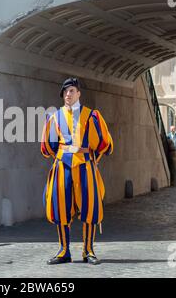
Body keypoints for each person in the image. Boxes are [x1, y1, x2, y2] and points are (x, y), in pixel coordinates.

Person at [40, 77, 113, 265]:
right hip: (62, 166)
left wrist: (90, 158)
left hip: (85, 165)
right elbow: (48, 146)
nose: (68, 95)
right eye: (65, 92)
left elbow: (104, 142)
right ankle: (64, 250)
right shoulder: (54, 117)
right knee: (61, 208)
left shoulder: (91, 116)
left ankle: (88, 250)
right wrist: (61, 156)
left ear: (79, 93)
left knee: (89, 207)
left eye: (71, 91)